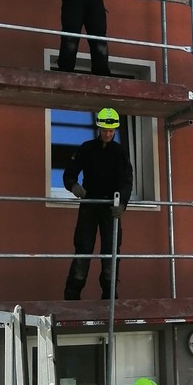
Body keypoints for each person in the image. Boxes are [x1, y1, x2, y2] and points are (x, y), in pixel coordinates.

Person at [62, 107, 133, 301]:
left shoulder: (120, 152)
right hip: (90, 205)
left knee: (111, 251)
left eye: (111, 131)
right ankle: (72, 297)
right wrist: (73, 185)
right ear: (99, 128)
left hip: (111, 207)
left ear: (115, 130)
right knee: (83, 249)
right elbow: (69, 173)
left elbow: (127, 180)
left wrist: (123, 204)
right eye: (105, 130)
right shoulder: (86, 148)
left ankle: (109, 298)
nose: (108, 134)